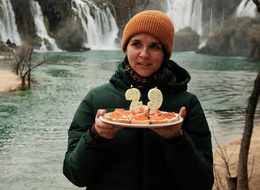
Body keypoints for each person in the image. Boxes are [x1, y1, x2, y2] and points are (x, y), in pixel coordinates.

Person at [63, 10, 214, 190]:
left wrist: (176, 139)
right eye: (136, 44)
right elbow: (75, 175)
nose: (144, 54)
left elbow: (202, 184)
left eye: (155, 46)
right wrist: (96, 136)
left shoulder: (187, 105)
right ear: (126, 48)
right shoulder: (95, 99)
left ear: (166, 54)